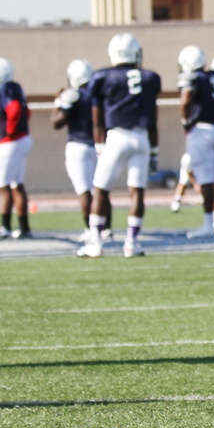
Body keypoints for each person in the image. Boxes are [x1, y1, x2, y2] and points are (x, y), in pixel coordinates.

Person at [78, 33, 161, 259]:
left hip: (116, 136)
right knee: (137, 192)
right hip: (141, 137)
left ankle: (95, 242)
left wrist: (98, 145)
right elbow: (153, 117)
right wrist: (154, 150)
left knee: (101, 189)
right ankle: (131, 244)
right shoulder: (149, 77)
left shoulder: (102, 77)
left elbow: (97, 119)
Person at [51, 59, 112, 243]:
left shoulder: (73, 95)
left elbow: (56, 122)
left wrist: (58, 101)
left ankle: (90, 229)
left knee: (85, 191)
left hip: (78, 146)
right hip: (100, 145)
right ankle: (107, 229)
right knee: (101, 190)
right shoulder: (99, 94)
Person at [177, 45, 214, 240]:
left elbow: (186, 100)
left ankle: (209, 224)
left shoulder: (194, 78)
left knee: (207, 181)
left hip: (202, 130)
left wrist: (185, 122)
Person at [0, 57, 33, 240]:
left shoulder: (3, 88)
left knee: (2, 185)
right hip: (21, 140)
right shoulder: (15, 87)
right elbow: (26, 111)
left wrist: (10, 130)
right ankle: (24, 228)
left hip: (9, 142)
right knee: (16, 184)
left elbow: (14, 108)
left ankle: (5, 227)